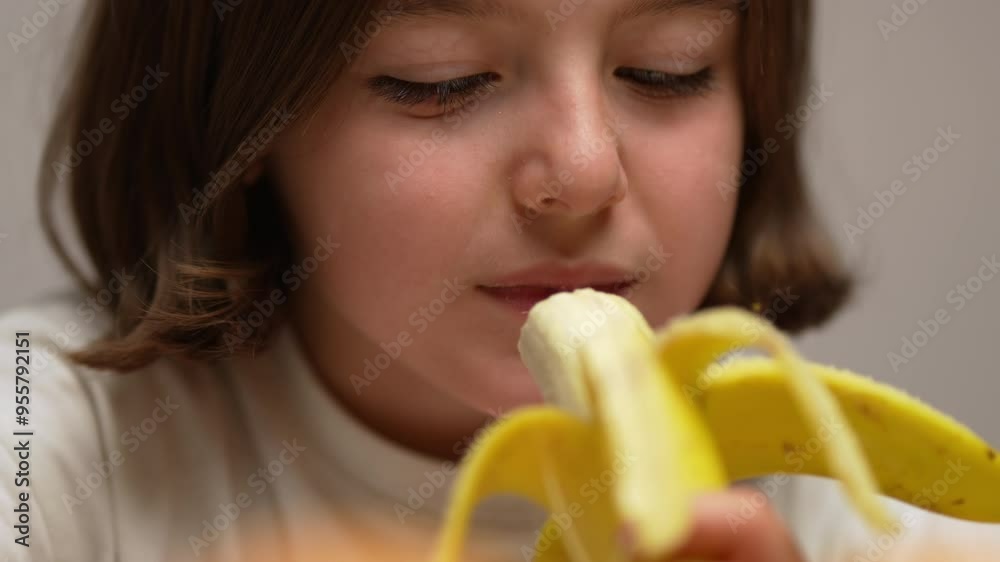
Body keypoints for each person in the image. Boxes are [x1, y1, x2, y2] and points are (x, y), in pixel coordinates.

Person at [3, 0, 998, 560]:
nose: (581, 173)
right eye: (437, 79)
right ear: (244, 121)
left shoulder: (850, 514)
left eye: (667, 68)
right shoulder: (41, 450)